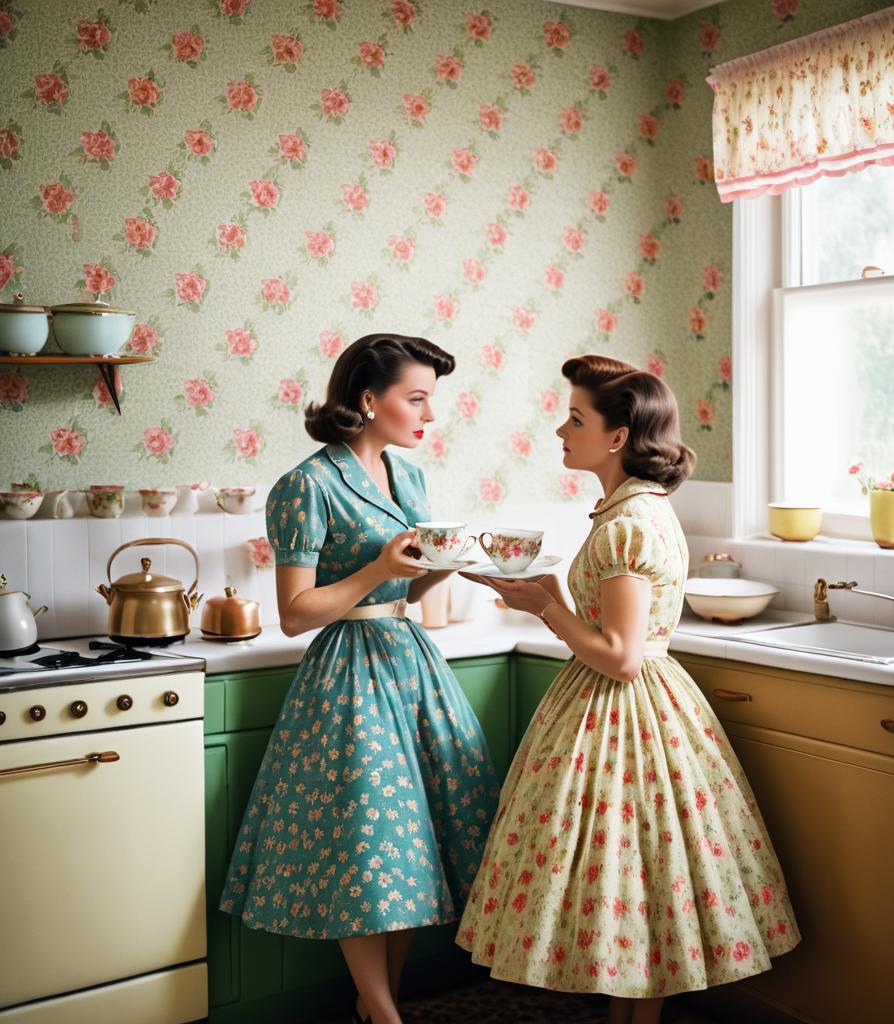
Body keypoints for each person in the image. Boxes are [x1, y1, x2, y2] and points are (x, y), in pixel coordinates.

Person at [456, 355, 800, 1024]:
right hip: (638, 704)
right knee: (640, 883)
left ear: (617, 437)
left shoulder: (626, 526)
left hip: (622, 710)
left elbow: (620, 659)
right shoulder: (636, 510)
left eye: (575, 418)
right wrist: (550, 594)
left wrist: (545, 610)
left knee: (631, 879)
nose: (561, 430)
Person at [220, 333, 500, 1024]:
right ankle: (383, 1012)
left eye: (430, 399)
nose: (428, 413)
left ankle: (378, 1006)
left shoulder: (408, 477)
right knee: (367, 850)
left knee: (411, 853)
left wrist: (453, 559)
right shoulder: (305, 486)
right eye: (417, 398)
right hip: (347, 673)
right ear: (369, 400)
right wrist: (378, 568)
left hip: (410, 661)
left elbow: (408, 581)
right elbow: (295, 613)